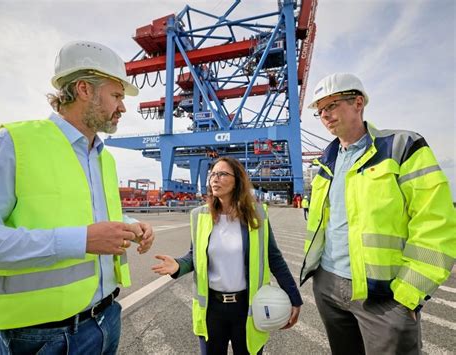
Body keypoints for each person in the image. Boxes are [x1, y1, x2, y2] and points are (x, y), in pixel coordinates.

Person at [0, 40, 155, 354]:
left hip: (107, 318)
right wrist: (80, 241)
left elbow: (85, 216)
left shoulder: (104, 158)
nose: (123, 107)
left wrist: (130, 224)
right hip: (40, 337)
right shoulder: (12, 142)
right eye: (116, 95)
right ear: (84, 89)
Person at [300, 72, 455, 354]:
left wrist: (409, 294)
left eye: (332, 105)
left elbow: (437, 223)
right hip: (328, 287)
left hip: (384, 295)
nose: (325, 115)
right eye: (320, 111)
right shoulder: (326, 161)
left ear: (358, 102)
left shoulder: (402, 147)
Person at [152, 157, 302, 355]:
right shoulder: (200, 216)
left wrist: (294, 297)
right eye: (213, 174)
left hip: (246, 308)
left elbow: (274, 258)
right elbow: (194, 256)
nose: (215, 179)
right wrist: (178, 266)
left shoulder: (257, 215)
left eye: (222, 174)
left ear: (237, 180)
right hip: (212, 310)